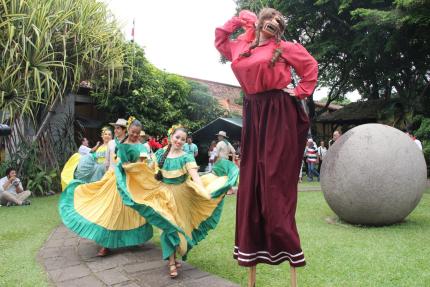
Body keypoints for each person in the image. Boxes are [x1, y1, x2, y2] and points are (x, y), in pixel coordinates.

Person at [215, 7, 318, 274]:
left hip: (277, 109)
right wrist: (238, 19)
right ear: (259, 22)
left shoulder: (284, 47)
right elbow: (220, 41)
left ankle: (286, 241)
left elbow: (310, 68)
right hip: (253, 111)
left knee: (273, 178)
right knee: (251, 180)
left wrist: (298, 92)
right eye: (269, 18)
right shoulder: (242, 46)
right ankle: (253, 246)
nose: (274, 23)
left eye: (279, 21)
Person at [115, 125, 239, 278]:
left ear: (185, 141)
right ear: (171, 136)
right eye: (177, 137)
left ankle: (172, 257)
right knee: (168, 227)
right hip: (163, 196)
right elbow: (148, 170)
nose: (179, 141)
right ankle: (172, 262)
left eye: (182, 139)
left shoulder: (186, 156)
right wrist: (131, 169)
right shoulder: (160, 153)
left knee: (178, 227)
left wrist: (204, 192)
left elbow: (195, 177)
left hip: (182, 196)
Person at [59, 118, 153, 257]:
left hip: (132, 182)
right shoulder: (115, 144)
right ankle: (106, 244)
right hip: (115, 179)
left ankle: (136, 238)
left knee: (134, 211)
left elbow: (143, 165)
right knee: (111, 210)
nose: (135, 135)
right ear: (128, 130)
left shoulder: (143, 147)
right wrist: (107, 177)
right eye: (133, 132)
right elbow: (111, 164)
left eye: (137, 133)